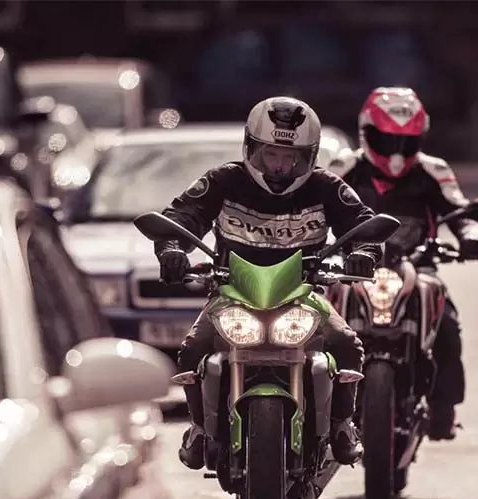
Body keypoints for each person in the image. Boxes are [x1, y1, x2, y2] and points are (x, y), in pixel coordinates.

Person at [151, 96, 383, 470]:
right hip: (232, 293)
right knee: (193, 348)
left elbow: (363, 224)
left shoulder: (327, 186)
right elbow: (181, 216)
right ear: (251, 149)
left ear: (308, 156)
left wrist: (365, 252)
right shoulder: (222, 180)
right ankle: (199, 427)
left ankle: (342, 424)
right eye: (270, 154)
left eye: (290, 157)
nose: (278, 165)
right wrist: (172, 250)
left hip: (302, 296)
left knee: (346, 344)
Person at [328, 86, 478, 441]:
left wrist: (472, 236)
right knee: (315, 324)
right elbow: (315, 210)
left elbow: (461, 210)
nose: (397, 154)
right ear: (366, 133)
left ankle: (444, 407)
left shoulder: (434, 170)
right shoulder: (343, 167)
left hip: (418, 266)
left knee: (447, 323)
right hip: (352, 268)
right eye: (387, 141)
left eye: (406, 142)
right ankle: (317, 406)